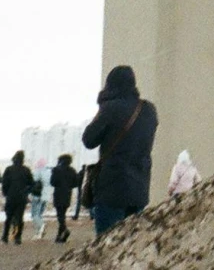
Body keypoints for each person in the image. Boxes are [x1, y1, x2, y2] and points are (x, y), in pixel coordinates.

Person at [81, 65, 157, 239]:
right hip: (139, 189)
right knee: (130, 246)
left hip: (111, 189)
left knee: (107, 245)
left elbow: (88, 139)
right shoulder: (149, 110)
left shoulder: (111, 108)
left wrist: (103, 105)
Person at [0, 152, 33, 245]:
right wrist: (26, 192)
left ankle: (5, 237)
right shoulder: (26, 170)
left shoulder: (9, 169)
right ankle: (18, 238)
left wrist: (6, 193)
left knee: (8, 217)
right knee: (20, 218)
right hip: (22, 197)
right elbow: (31, 183)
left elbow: (4, 183)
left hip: (11, 196)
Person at [49, 153, 77, 243]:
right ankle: (59, 237)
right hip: (68, 194)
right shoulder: (72, 170)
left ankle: (64, 230)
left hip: (58, 194)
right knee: (62, 215)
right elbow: (76, 183)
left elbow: (52, 182)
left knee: (60, 216)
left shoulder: (56, 170)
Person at [29, 163, 48, 239]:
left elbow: (30, 185)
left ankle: (41, 225)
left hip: (36, 196)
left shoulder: (35, 175)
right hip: (44, 197)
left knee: (34, 215)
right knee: (39, 214)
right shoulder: (46, 176)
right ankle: (38, 233)